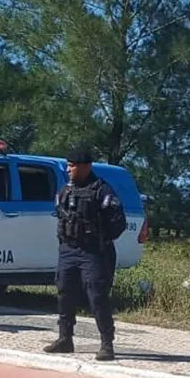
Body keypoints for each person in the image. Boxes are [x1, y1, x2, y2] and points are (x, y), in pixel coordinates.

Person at [44, 145, 127, 361]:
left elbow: (118, 223)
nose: (68, 169)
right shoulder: (66, 190)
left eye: (72, 166)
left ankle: (107, 344)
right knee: (65, 292)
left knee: (96, 296)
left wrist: (99, 239)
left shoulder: (102, 190)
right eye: (68, 165)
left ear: (86, 167)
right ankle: (65, 339)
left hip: (93, 251)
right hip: (68, 250)